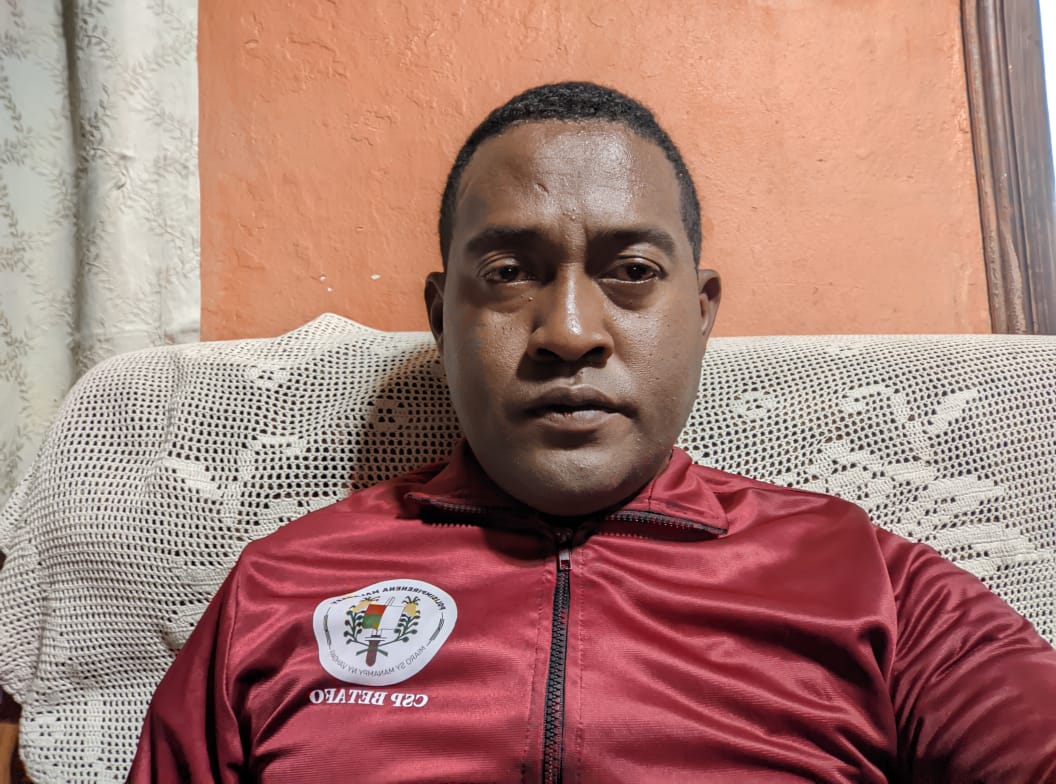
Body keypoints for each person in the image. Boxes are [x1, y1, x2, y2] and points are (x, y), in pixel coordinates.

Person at [127, 82, 1056, 783]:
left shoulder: (872, 584)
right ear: (441, 317)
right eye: (508, 272)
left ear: (701, 312)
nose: (570, 332)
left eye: (633, 271)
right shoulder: (279, 587)